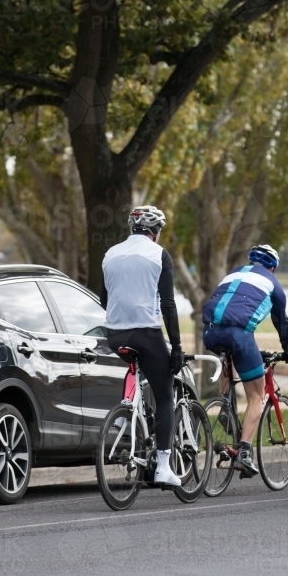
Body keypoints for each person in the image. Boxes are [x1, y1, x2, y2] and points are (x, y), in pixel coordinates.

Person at [100, 205, 185, 487]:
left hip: (114, 334)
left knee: (137, 369)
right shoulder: (159, 255)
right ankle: (162, 465)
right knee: (164, 392)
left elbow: (104, 298)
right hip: (145, 333)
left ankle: (128, 412)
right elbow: (169, 305)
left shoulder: (110, 253)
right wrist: (177, 347)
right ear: (155, 231)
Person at [202, 244, 288, 476]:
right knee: (257, 395)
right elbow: (281, 322)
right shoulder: (273, 284)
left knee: (228, 355)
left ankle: (225, 403)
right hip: (239, 334)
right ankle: (244, 452)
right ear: (272, 267)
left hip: (210, 332)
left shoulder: (233, 273)